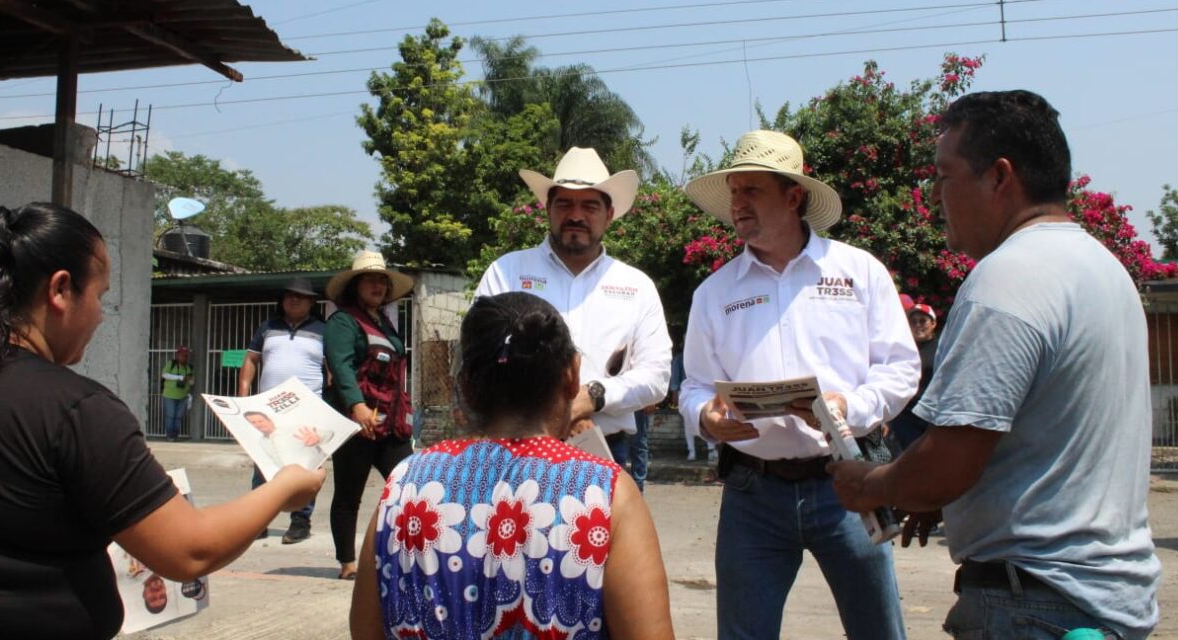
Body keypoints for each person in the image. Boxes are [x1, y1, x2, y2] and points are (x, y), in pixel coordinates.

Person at [829, 90, 1162, 639]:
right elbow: (1047, 438)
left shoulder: (1006, 280)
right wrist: (948, 499)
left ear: (999, 177)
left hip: (1034, 605)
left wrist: (874, 485)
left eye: (944, 175)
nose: (935, 195)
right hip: (1104, 600)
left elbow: (948, 462)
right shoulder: (1101, 268)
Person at [0, 203, 325, 639]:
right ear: (61, 290)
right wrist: (284, 488)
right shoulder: (75, 410)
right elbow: (188, 551)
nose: (100, 314)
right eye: (99, 296)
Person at [678, 130, 919, 639]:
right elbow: (694, 385)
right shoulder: (714, 292)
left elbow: (901, 369)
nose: (737, 205)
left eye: (751, 191)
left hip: (848, 482)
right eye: (734, 192)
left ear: (793, 196)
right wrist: (706, 416)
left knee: (878, 630)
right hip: (752, 491)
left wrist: (847, 407)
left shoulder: (859, 272)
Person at [350, 292, 674, 639]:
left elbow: (366, 629)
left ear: (465, 385)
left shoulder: (404, 484)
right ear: (572, 376)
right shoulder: (606, 493)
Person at [474, 146, 672, 473]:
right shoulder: (506, 272)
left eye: (590, 205)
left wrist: (592, 397)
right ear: (547, 208)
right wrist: (555, 411)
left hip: (604, 449)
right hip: (517, 452)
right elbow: (480, 358)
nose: (576, 215)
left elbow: (657, 376)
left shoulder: (637, 286)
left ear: (609, 215)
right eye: (564, 203)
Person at [324, 250, 415, 580]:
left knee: (409, 484)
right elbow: (341, 366)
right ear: (355, 285)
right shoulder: (343, 321)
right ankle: (348, 563)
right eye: (370, 279)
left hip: (391, 422)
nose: (378, 285)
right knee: (349, 493)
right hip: (357, 422)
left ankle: (405, 555)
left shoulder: (386, 323)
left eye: (382, 280)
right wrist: (356, 405)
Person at [238, 276, 326, 544]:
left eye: (300, 295)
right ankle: (259, 519)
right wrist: (244, 396)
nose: (294, 299)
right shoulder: (267, 327)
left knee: (305, 464)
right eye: (289, 295)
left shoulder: (324, 330)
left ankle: (301, 521)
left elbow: (333, 371)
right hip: (269, 408)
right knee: (264, 462)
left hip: (308, 410)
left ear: (311, 301)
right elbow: (251, 360)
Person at [888, 301, 940, 451]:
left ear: (933, 324)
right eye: (914, 321)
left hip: (928, 417)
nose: (918, 325)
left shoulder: (941, 349)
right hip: (903, 416)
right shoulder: (903, 349)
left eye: (923, 321)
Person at [243, 411, 334, 469]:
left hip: (307, 475)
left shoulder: (292, 429)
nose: (258, 425)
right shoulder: (262, 441)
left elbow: (329, 433)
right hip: (285, 480)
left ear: (270, 420)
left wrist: (319, 438)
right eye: (253, 423)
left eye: (260, 421)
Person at [159, 345, 194, 441]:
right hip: (169, 395)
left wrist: (190, 381)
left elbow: (191, 382)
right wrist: (180, 377)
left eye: (186, 355)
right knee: (171, 415)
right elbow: (164, 375)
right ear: (177, 355)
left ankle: (175, 435)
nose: (185, 357)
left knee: (178, 417)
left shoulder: (188, 367)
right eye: (183, 355)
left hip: (183, 396)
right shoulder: (171, 364)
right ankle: (170, 436)